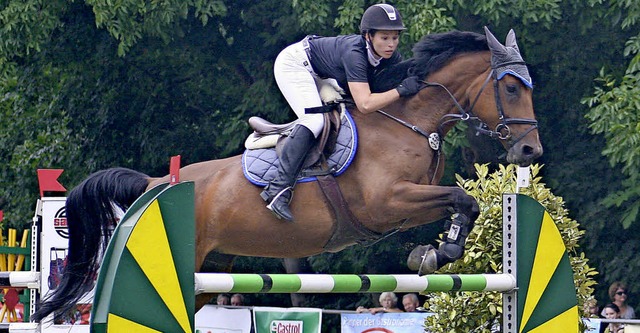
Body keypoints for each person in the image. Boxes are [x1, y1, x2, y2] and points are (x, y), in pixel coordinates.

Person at [261, 3, 425, 221]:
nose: (391, 44)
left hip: (324, 72)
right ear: (368, 36)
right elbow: (365, 104)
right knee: (315, 120)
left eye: (395, 38)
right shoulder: (355, 54)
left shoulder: (390, 57)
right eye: (384, 38)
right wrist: (400, 90)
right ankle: (277, 189)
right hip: (296, 65)